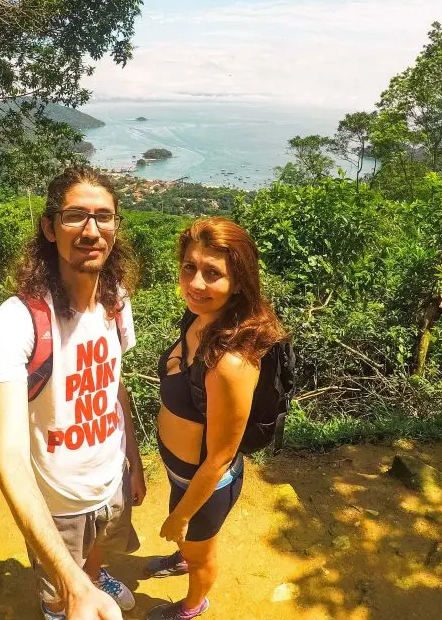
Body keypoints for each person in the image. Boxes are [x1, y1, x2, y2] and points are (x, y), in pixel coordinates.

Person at [0, 166, 147, 620]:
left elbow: (115, 384)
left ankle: (94, 576)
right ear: (49, 227)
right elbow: (11, 457)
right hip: (56, 499)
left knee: (102, 548)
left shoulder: (116, 297)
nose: (92, 230)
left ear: (116, 227)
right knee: (60, 593)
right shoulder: (18, 320)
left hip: (111, 479)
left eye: (104, 217)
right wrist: (72, 587)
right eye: (76, 215)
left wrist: (132, 461)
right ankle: (64, 600)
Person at [144, 217, 287, 620]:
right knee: (188, 544)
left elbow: (220, 455)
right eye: (190, 268)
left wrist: (181, 515)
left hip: (204, 483)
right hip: (180, 472)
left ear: (238, 282)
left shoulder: (231, 363)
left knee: (202, 551)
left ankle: (192, 605)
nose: (196, 283)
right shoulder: (197, 320)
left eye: (213, 273)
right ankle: (184, 556)